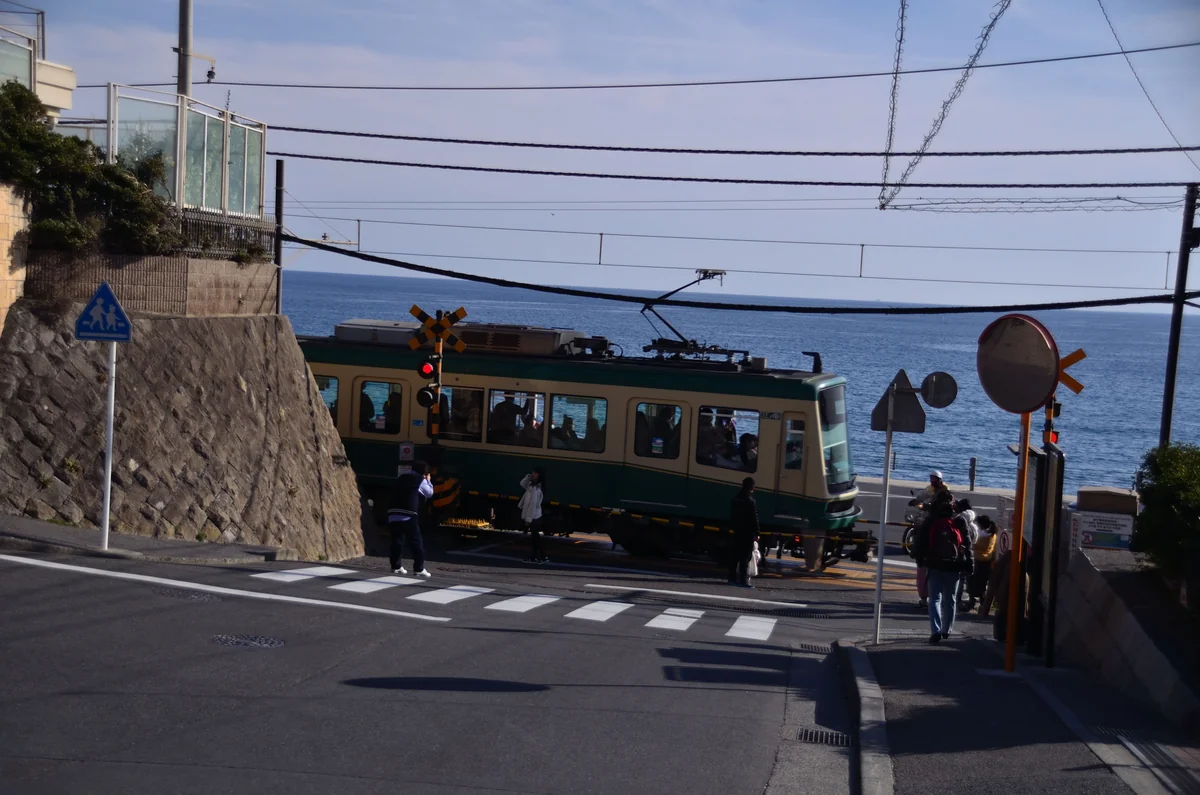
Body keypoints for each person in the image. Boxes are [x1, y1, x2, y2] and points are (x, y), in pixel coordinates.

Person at [911, 490, 972, 643]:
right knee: (950, 599)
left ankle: (935, 630)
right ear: (952, 502)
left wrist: (918, 557)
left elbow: (920, 542)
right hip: (954, 565)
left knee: (934, 599)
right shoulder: (958, 520)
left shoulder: (931, 519)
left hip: (934, 563)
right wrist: (970, 563)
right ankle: (947, 630)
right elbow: (968, 544)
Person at [387, 461, 433, 578]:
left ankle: (396, 567)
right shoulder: (419, 479)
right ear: (424, 473)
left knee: (397, 542)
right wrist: (428, 480)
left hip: (393, 512)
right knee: (416, 543)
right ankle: (419, 569)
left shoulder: (401, 477)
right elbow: (429, 493)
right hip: (408, 514)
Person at [728, 477, 760, 588]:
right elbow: (754, 518)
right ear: (752, 487)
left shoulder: (736, 498)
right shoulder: (751, 501)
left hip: (737, 531)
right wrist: (757, 532)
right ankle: (744, 581)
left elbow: (732, 515)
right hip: (747, 533)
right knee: (745, 557)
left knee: (735, 556)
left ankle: (731, 578)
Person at [966, 515, 997, 612]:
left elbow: (972, 544)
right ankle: (983, 605)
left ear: (980, 524)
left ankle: (972, 603)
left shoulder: (980, 534)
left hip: (978, 560)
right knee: (983, 584)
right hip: (987, 561)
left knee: (972, 582)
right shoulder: (993, 534)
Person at [519, 468, 547, 564]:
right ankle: (534, 557)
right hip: (534, 516)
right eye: (533, 473)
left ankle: (543, 557)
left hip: (535, 517)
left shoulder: (537, 489)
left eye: (535, 473)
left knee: (536, 538)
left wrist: (528, 519)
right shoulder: (531, 485)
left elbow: (532, 506)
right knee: (535, 538)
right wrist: (527, 477)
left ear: (539, 476)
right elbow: (522, 484)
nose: (533, 474)